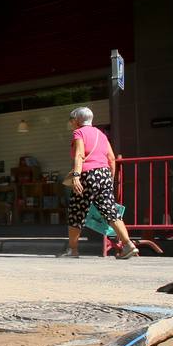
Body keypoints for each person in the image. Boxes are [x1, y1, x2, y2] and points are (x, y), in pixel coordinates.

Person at [61, 106, 139, 259]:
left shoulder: (79, 133)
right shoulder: (101, 135)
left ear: (77, 120)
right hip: (104, 174)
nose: (71, 123)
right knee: (111, 212)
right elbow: (111, 158)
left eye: (72, 120)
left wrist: (76, 176)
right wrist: (110, 179)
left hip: (87, 175)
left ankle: (73, 250)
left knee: (76, 213)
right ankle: (129, 245)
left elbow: (79, 155)